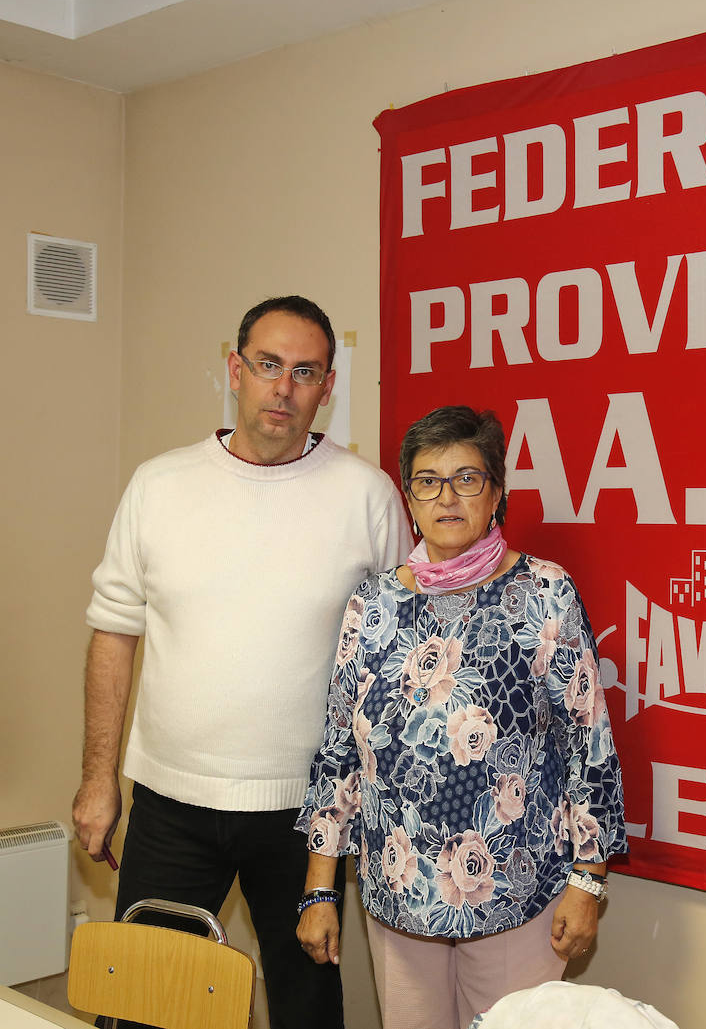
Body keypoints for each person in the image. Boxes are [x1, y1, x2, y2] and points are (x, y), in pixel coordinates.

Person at [72, 295, 411, 1029]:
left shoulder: (368, 497)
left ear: (326, 387)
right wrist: (99, 781)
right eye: (267, 365)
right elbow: (113, 632)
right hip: (170, 803)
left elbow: (399, 662)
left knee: (306, 1010)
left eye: (305, 371)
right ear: (235, 370)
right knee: (144, 1008)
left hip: (305, 817)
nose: (283, 388)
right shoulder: (159, 486)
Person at [295, 405, 627, 1029]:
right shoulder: (372, 604)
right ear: (409, 497)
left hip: (518, 893)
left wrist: (589, 882)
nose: (447, 497)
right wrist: (319, 888)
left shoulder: (545, 592)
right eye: (428, 480)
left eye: (467, 479)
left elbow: (590, 743)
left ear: (496, 493)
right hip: (398, 897)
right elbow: (339, 750)